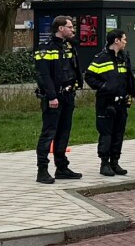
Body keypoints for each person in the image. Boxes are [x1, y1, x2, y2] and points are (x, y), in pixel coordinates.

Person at [34, 15, 85, 184]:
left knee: (64, 132)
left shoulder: (68, 46)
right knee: (49, 133)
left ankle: (62, 168)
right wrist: (51, 96)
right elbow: (43, 75)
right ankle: (42, 171)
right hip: (54, 97)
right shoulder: (45, 48)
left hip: (68, 95)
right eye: (70, 27)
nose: (73, 30)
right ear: (60, 28)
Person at [85, 29, 135, 177]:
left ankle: (115, 162)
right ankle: (104, 164)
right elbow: (89, 76)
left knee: (118, 133)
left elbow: (128, 78)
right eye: (124, 39)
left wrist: (130, 93)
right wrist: (104, 87)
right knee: (106, 134)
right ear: (116, 40)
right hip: (106, 103)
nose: (125, 42)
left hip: (121, 103)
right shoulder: (101, 58)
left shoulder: (123, 58)